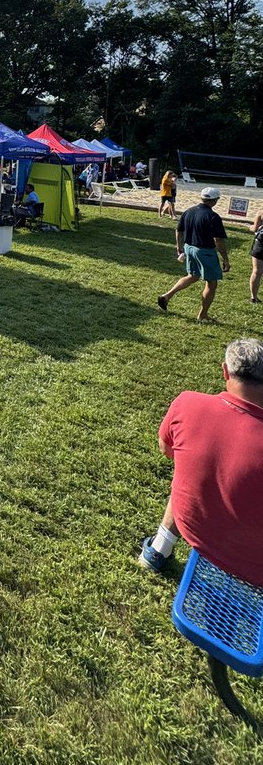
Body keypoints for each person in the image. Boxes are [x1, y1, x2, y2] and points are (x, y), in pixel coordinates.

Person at [138, 338, 263, 583]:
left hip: (193, 526)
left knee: (191, 470)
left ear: (225, 371)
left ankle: (158, 550)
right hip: (254, 565)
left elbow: (167, 449)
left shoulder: (188, 402)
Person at [157, 187, 229, 323]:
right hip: (205, 251)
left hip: (189, 248)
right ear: (214, 200)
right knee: (211, 283)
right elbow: (218, 240)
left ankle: (167, 296)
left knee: (192, 276)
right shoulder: (213, 217)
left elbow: (178, 231)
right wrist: (225, 259)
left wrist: (179, 248)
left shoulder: (188, 211)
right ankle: (203, 315)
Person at [249, 209, 263, 304]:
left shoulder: (261, 211)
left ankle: (253, 297)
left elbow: (255, 228)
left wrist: (250, 227)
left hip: (261, 244)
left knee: (256, 271)